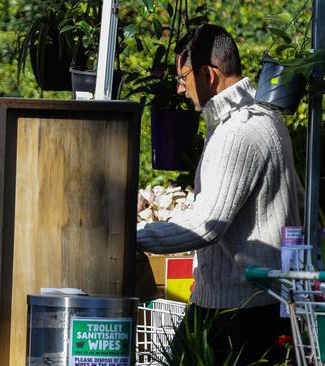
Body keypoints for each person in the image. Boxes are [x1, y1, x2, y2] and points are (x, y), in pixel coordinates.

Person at [137, 24, 303, 364]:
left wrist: (132, 236)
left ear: (209, 74)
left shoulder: (238, 131)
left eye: (183, 77)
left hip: (238, 310)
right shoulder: (263, 118)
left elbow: (206, 224)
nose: (180, 89)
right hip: (250, 302)